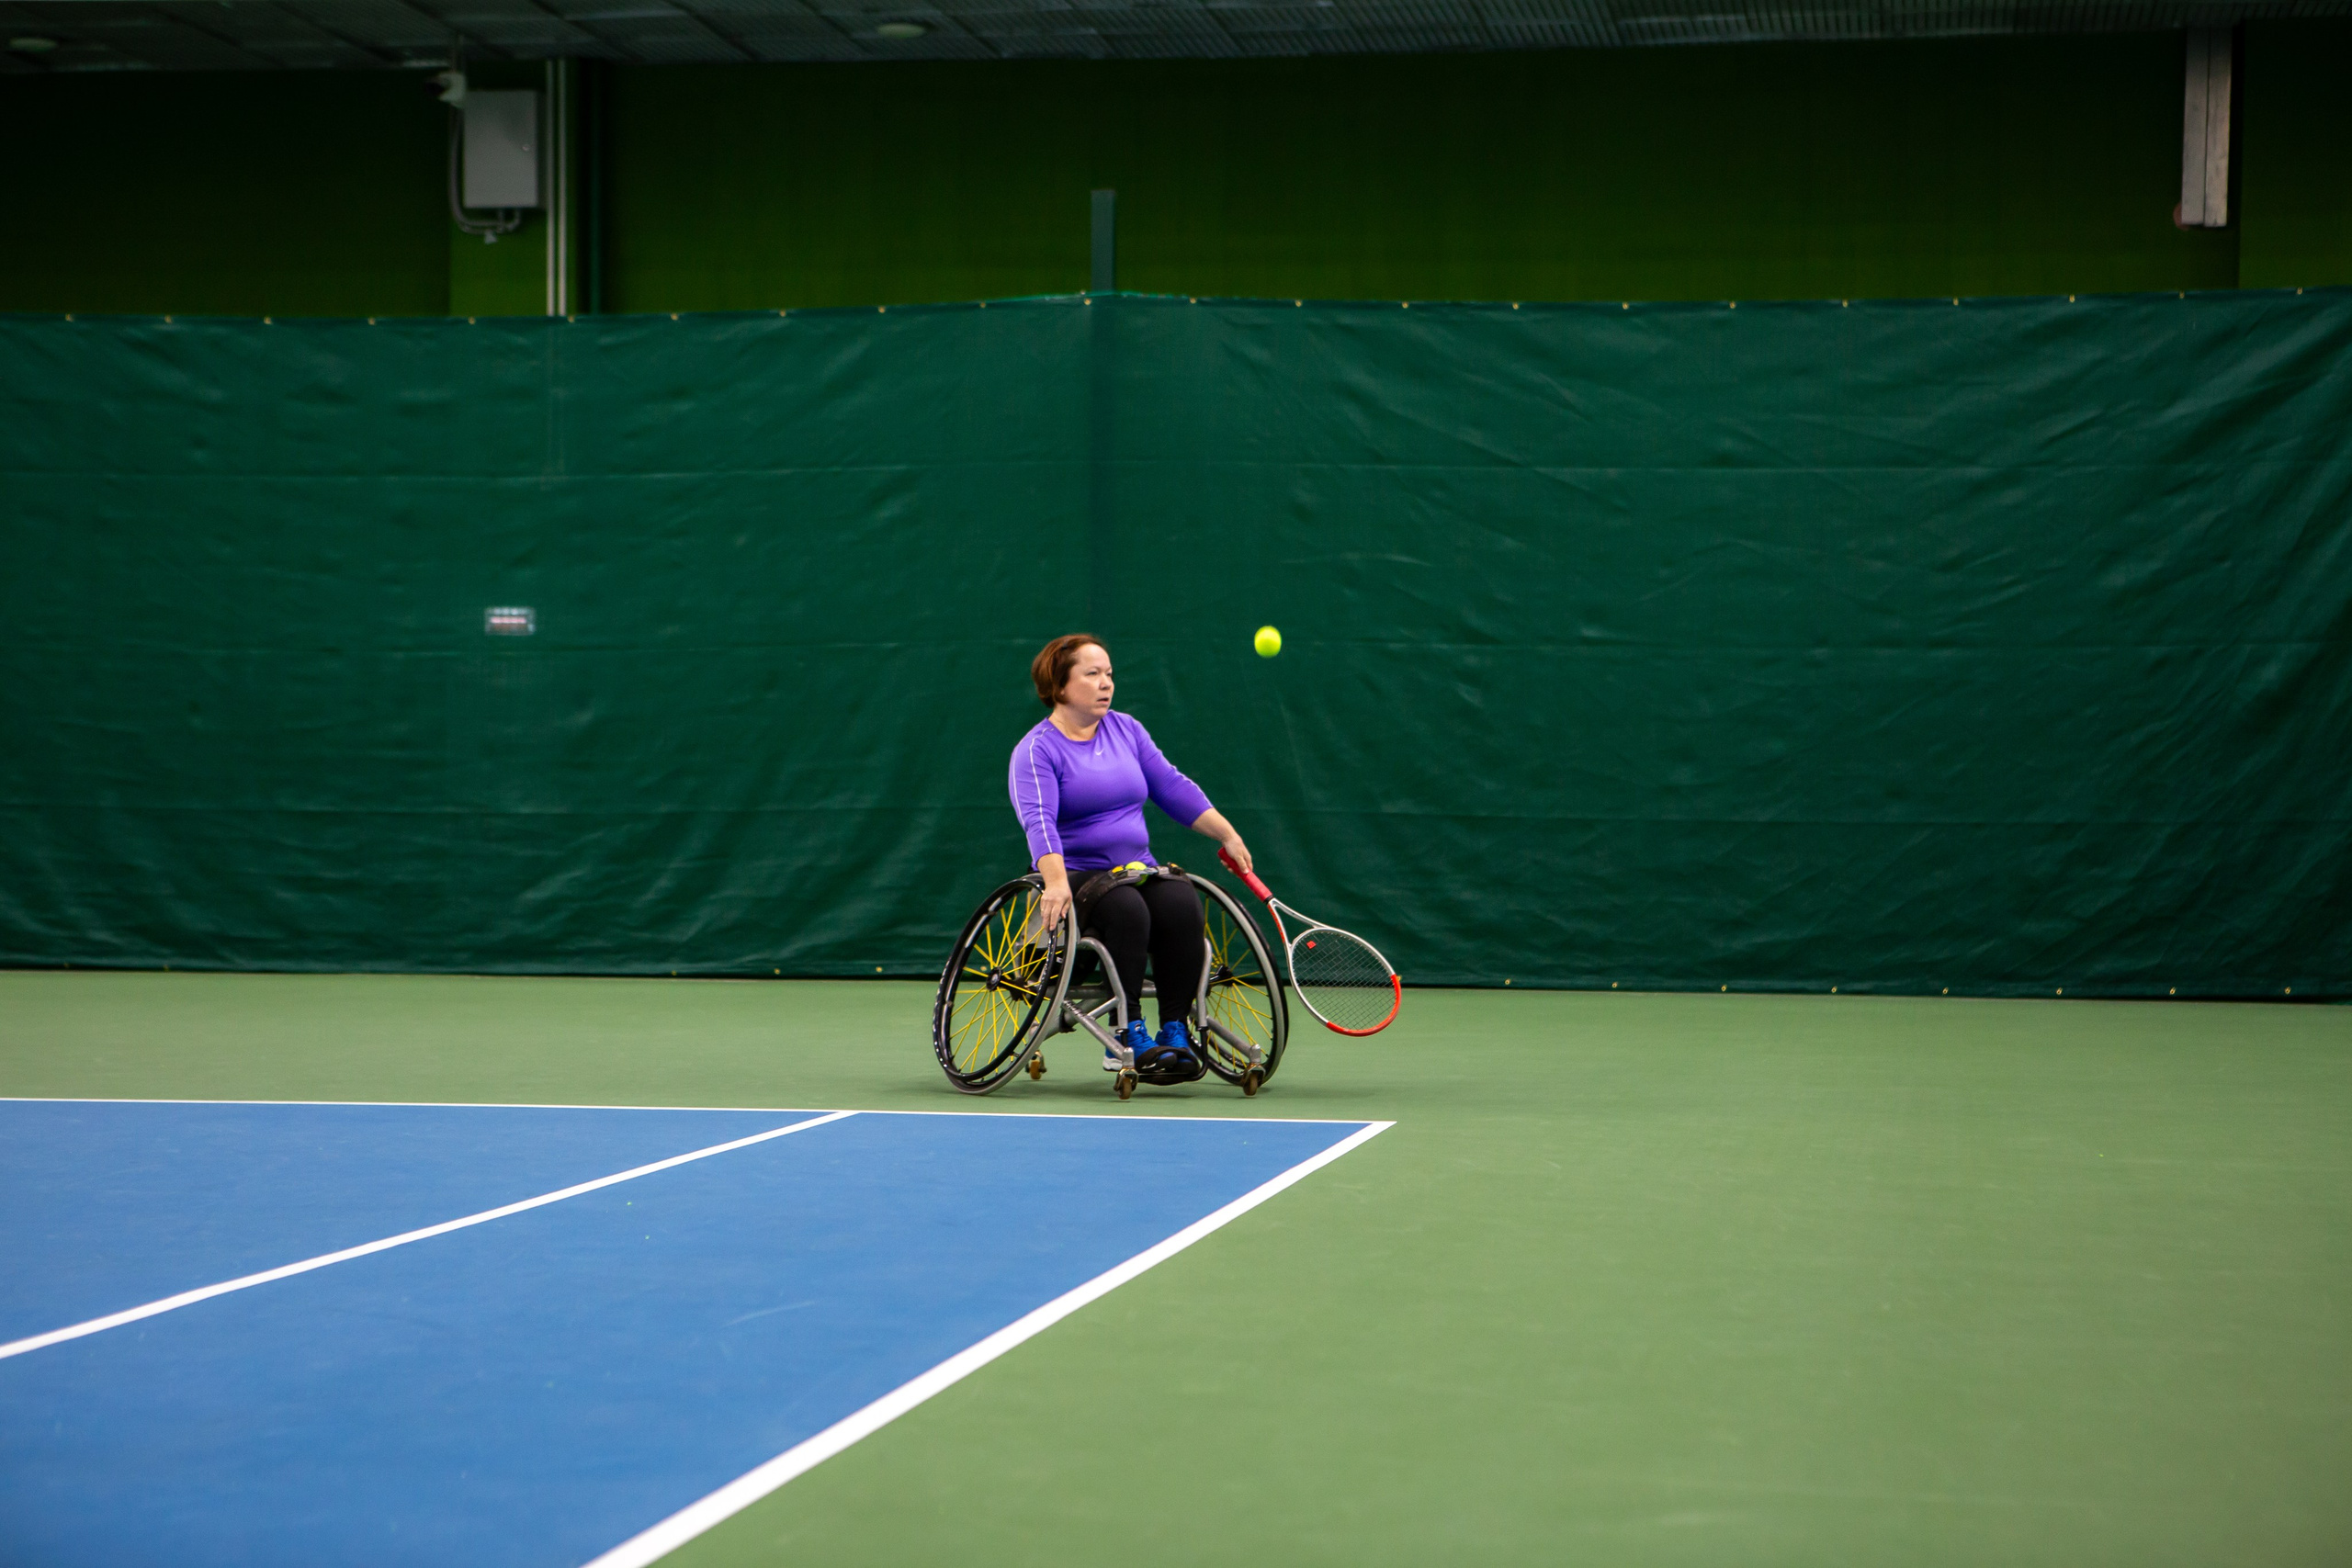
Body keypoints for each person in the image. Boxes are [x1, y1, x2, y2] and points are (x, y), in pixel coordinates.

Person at [1009, 634, 1254, 1074]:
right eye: (1092, 674)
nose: (1106, 684)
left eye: (1109, 675)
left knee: (1180, 902)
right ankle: (1128, 1032)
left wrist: (1227, 834)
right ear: (1060, 686)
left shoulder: (1126, 729)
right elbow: (1039, 821)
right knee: (1127, 911)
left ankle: (1175, 1030)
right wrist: (1056, 881)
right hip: (1078, 876)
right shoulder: (1036, 750)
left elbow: (1172, 787)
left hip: (1134, 868)